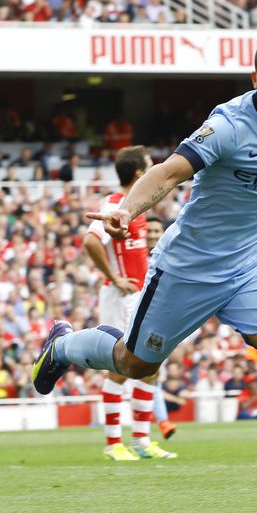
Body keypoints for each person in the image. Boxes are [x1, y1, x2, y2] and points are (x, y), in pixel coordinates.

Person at [32, 27, 257, 511]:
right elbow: (169, 170)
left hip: (252, 265)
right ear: (254, 77)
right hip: (189, 268)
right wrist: (126, 211)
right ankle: (63, 346)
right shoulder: (228, 125)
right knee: (136, 363)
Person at [83, 146, 176, 461]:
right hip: (120, 296)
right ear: (139, 173)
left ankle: (140, 440)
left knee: (151, 366)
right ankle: (113, 443)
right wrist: (114, 277)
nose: (153, 170)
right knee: (121, 366)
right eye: (149, 166)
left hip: (139, 296)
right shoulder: (113, 204)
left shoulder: (137, 207)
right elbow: (90, 240)